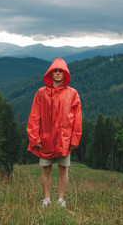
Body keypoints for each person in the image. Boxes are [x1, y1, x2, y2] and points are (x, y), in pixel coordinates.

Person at [27, 58, 82, 208]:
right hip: (45, 138)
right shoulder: (41, 93)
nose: (58, 73)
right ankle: (46, 199)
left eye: (61, 71)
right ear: (50, 73)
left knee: (64, 168)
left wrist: (74, 139)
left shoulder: (72, 93)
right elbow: (34, 116)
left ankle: (60, 200)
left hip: (65, 139)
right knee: (46, 168)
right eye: (55, 71)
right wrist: (34, 137)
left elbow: (77, 119)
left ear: (65, 74)